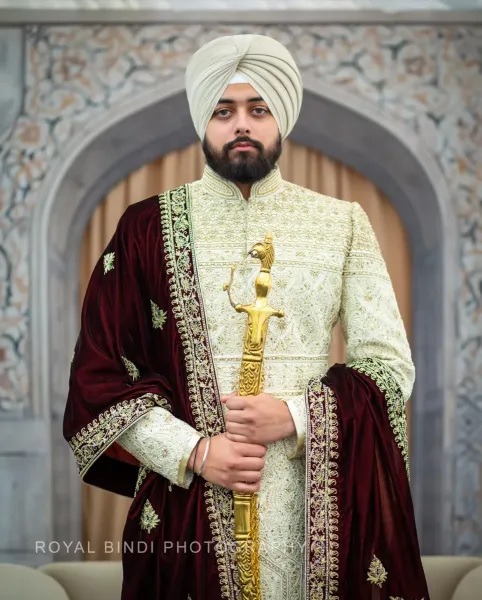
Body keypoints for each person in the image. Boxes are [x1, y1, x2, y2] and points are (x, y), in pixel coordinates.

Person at [63, 34, 430, 600]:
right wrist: (196, 452)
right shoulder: (144, 228)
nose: (242, 125)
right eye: (223, 110)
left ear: (280, 119)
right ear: (201, 122)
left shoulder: (343, 224)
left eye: (258, 110)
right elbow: (99, 376)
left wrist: (297, 416)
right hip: (187, 504)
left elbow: (388, 366)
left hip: (318, 504)